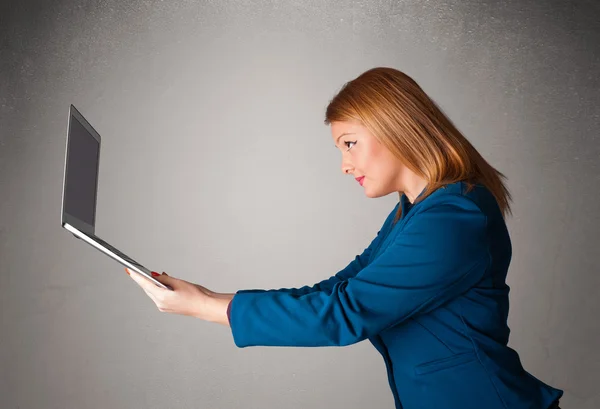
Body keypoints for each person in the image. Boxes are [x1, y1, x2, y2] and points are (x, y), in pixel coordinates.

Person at [126, 67, 564, 409]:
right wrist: (210, 295)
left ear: (396, 129)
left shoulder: (453, 217)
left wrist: (204, 309)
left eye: (350, 143)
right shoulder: (414, 213)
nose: (344, 164)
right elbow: (338, 290)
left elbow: (344, 312)